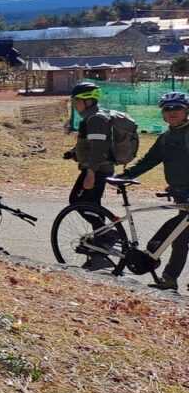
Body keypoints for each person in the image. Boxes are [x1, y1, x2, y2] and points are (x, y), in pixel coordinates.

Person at [120, 92, 189, 291]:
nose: (172, 112)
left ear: (186, 111)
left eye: (177, 108)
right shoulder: (166, 137)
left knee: (178, 235)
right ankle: (169, 279)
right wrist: (126, 175)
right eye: (167, 109)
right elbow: (150, 160)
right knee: (180, 238)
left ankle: (163, 271)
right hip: (181, 194)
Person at [65, 82, 121, 270]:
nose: (74, 105)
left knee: (78, 201)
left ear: (88, 101)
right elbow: (90, 143)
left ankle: (108, 235)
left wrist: (90, 172)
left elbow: (98, 148)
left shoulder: (96, 118)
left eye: (77, 101)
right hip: (96, 168)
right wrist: (74, 153)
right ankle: (100, 250)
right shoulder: (92, 117)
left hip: (96, 169)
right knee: (91, 205)